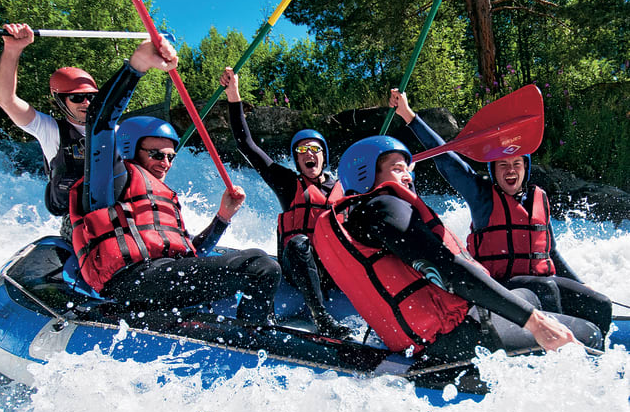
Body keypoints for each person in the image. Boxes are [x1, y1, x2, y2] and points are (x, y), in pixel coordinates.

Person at [311, 135, 603, 366]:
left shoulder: (358, 216)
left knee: (530, 294)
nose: (408, 177)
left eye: (407, 169)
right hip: (450, 337)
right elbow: (449, 272)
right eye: (397, 169)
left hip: (432, 332)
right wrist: (534, 322)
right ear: (363, 175)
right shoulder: (384, 207)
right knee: (589, 332)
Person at [69, 40, 281, 327]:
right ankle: (256, 336)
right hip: (131, 280)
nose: (165, 163)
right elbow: (100, 121)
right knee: (260, 266)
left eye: (170, 156)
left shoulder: (164, 195)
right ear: (130, 150)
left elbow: (193, 254)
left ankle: (249, 333)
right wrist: (137, 66)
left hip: (162, 279)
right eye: (155, 154)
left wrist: (223, 218)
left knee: (263, 262)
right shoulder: (111, 182)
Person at [389, 89, 612, 337]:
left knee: (599, 303)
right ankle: (556, 353)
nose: (510, 170)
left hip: (541, 284)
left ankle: (596, 360)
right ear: (493, 171)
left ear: (525, 169)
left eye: (517, 164)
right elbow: (448, 160)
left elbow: (550, 251)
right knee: (546, 287)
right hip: (501, 290)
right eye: (503, 164)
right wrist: (409, 116)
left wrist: (580, 284)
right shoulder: (482, 196)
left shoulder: (540, 198)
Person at [220, 67, 351, 339]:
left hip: (335, 268)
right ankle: (322, 318)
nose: (308, 153)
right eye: (302, 150)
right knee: (298, 243)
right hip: (296, 267)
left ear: (324, 157)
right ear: (296, 159)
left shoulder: (346, 189)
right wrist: (234, 97)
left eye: (315, 149)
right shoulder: (288, 183)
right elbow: (246, 145)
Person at [0, 22, 99, 239]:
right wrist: (13, 50)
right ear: (60, 101)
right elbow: (5, 99)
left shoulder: (112, 128)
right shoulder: (50, 130)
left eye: (91, 97)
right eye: (77, 98)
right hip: (79, 225)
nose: (86, 103)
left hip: (117, 215)